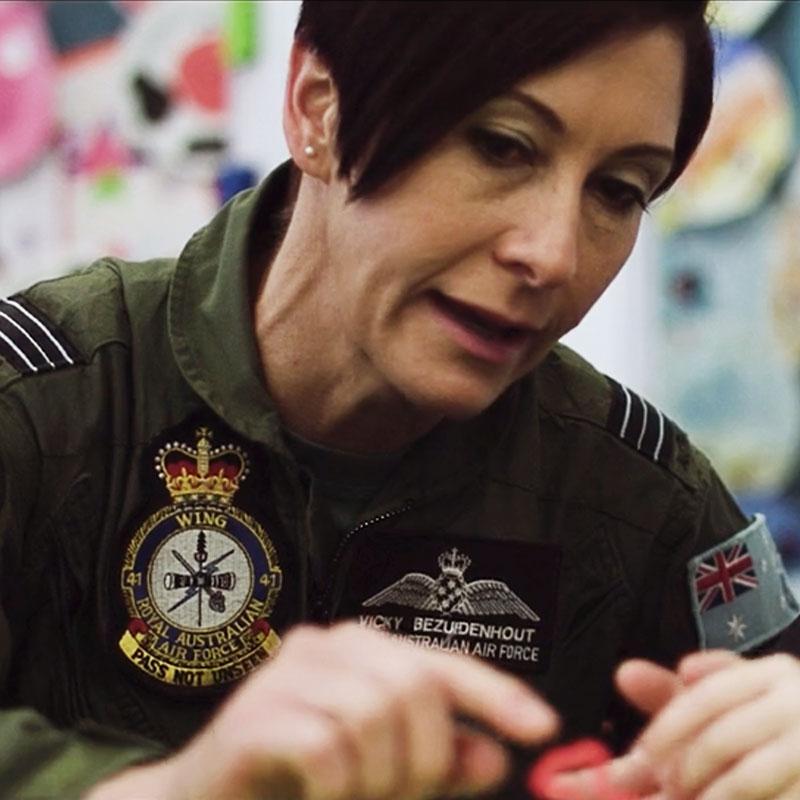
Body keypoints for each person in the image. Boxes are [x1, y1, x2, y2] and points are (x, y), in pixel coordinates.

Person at [2, 1, 800, 798]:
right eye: (501, 146)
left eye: (618, 192)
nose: (552, 254)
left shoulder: (643, 498)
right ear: (318, 109)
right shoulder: (44, 403)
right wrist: (173, 790)